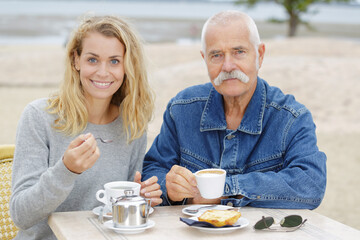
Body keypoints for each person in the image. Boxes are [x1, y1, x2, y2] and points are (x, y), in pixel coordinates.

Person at [142, 10, 326, 209]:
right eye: (217, 55)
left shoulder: (292, 118)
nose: (228, 66)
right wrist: (169, 189)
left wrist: (224, 191)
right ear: (205, 59)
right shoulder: (181, 109)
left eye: (239, 51)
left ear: (260, 55)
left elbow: (310, 185)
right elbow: (153, 170)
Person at [10, 15, 162, 239]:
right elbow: (21, 215)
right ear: (76, 60)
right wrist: (66, 170)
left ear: (128, 66)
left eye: (114, 61)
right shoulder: (39, 117)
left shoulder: (132, 124)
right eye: (92, 60)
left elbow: (119, 216)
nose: (103, 72)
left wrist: (140, 198)